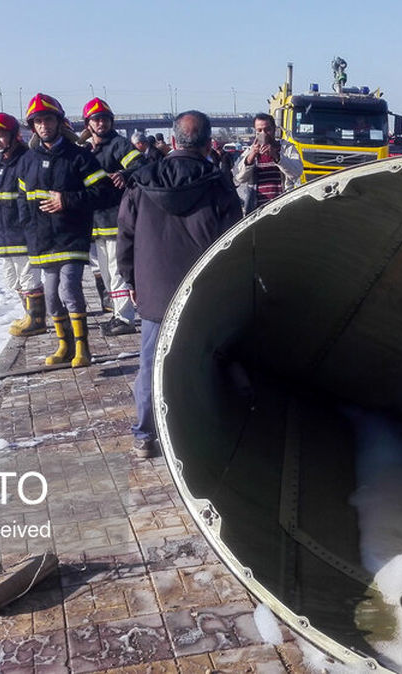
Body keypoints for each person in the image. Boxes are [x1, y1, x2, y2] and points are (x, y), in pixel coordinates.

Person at [117, 110, 241, 458]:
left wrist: (131, 279)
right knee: (204, 363)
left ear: (173, 141)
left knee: (150, 365)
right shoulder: (217, 184)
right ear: (207, 144)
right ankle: (197, 432)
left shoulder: (141, 182)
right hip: (202, 294)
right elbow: (235, 239)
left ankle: (144, 435)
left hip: (154, 294)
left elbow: (124, 237)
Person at [17, 93, 112, 368]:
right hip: (42, 240)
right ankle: (64, 345)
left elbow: (103, 192)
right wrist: (28, 229)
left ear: (59, 122)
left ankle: (83, 347)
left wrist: (67, 200)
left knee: (68, 290)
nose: (43, 125)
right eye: (38, 121)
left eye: (48, 119)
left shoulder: (79, 157)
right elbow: (22, 199)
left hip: (71, 235)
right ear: (32, 127)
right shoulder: (28, 160)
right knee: (51, 297)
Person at [79, 97, 144, 337]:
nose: (101, 123)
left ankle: (126, 318)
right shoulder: (87, 150)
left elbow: (142, 165)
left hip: (117, 220)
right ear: (88, 123)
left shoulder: (119, 144)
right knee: (106, 274)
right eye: (96, 119)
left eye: (105, 119)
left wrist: (125, 174)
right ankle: (118, 314)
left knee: (117, 271)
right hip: (96, 223)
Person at [0, 112, 46, 336]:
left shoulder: (25, 160)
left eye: (1, 135)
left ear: (14, 135)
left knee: (29, 278)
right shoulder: (1, 163)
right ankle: (28, 315)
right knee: (13, 280)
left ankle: (37, 320)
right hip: (3, 233)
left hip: (22, 233)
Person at [233, 113, 303, 214]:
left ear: (274, 129)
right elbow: (238, 178)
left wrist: (277, 156)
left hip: (283, 208)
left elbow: (297, 172)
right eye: (259, 131)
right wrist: (250, 158)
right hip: (257, 211)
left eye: (267, 130)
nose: (263, 134)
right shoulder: (250, 151)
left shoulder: (287, 148)